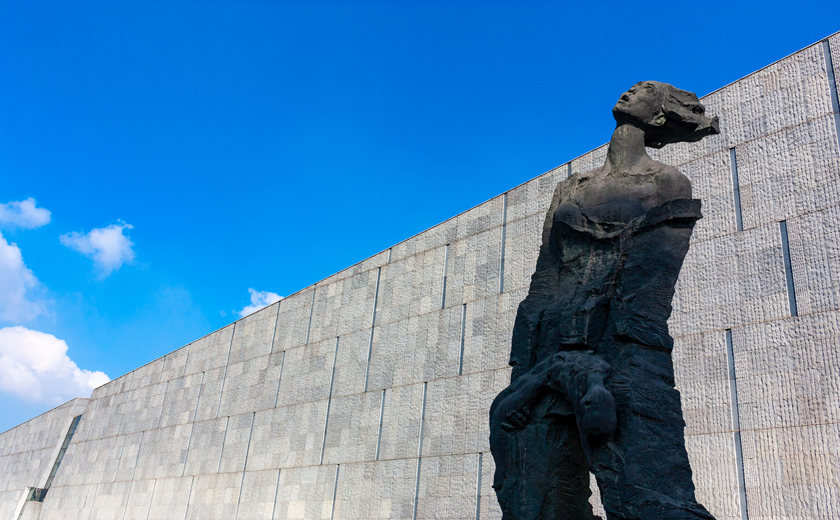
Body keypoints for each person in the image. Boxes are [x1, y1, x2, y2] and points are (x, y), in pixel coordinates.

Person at [490, 81, 720, 520]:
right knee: (532, 497)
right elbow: (545, 275)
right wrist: (524, 371)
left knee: (646, 493)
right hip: (548, 348)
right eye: (634, 86)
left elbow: (655, 275)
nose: (633, 89)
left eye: (647, 89)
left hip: (624, 343)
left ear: (657, 118)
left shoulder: (667, 181)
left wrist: (620, 358)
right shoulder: (571, 187)